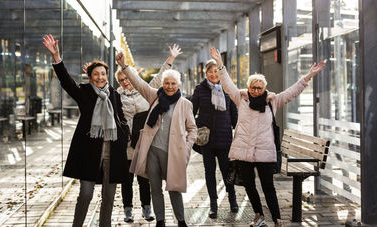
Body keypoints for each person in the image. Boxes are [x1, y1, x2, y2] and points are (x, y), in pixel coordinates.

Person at [210, 47, 325, 227]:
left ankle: (277, 218)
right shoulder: (241, 99)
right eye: (253, 88)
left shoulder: (273, 101)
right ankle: (259, 215)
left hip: (265, 152)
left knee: (268, 186)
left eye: (259, 88)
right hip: (243, 152)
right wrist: (219, 64)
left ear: (265, 88)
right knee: (249, 185)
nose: (256, 90)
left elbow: (292, 92)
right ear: (248, 88)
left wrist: (308, 76)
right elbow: (227, 84)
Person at [42, 34, 129, 227]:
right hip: (89, 151)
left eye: (103, 74)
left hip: (113, 151)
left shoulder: (114, 94)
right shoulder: (84, 92)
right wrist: (57, 57)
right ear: (90, 77)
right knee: (86, 194)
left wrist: (125, 134)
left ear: (107, 76)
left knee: (108, 196)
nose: (100, 77)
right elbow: (66, 82)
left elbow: (121, 118)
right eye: (96, 74)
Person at [115, 51, 197, 227]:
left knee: (174, 188)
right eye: (166, 83)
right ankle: (160, 220)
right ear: (162, 84)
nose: (169, 86)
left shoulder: (185, 104)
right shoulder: (154, 96)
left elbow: (193, 130)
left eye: (173, 83)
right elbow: (138, 82)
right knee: (155, 189)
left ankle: (181, 221)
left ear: (178, 85)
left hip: (174, 154)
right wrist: (124, 66)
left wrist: (187, 147)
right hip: (152, 151)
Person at [190, 59, 239, 218]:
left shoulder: (228, 88)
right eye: (210, 71)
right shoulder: (199, 89)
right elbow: (191, 112)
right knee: (209, 172)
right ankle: (213, 204)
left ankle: (232, 199)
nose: (213, 74)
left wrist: (237, 132)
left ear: (220, 72)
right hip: (207, 140)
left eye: (216, 71)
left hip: (225, 138)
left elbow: (234, 114)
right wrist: (196, 128)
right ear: (206, 73)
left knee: (227, 172)